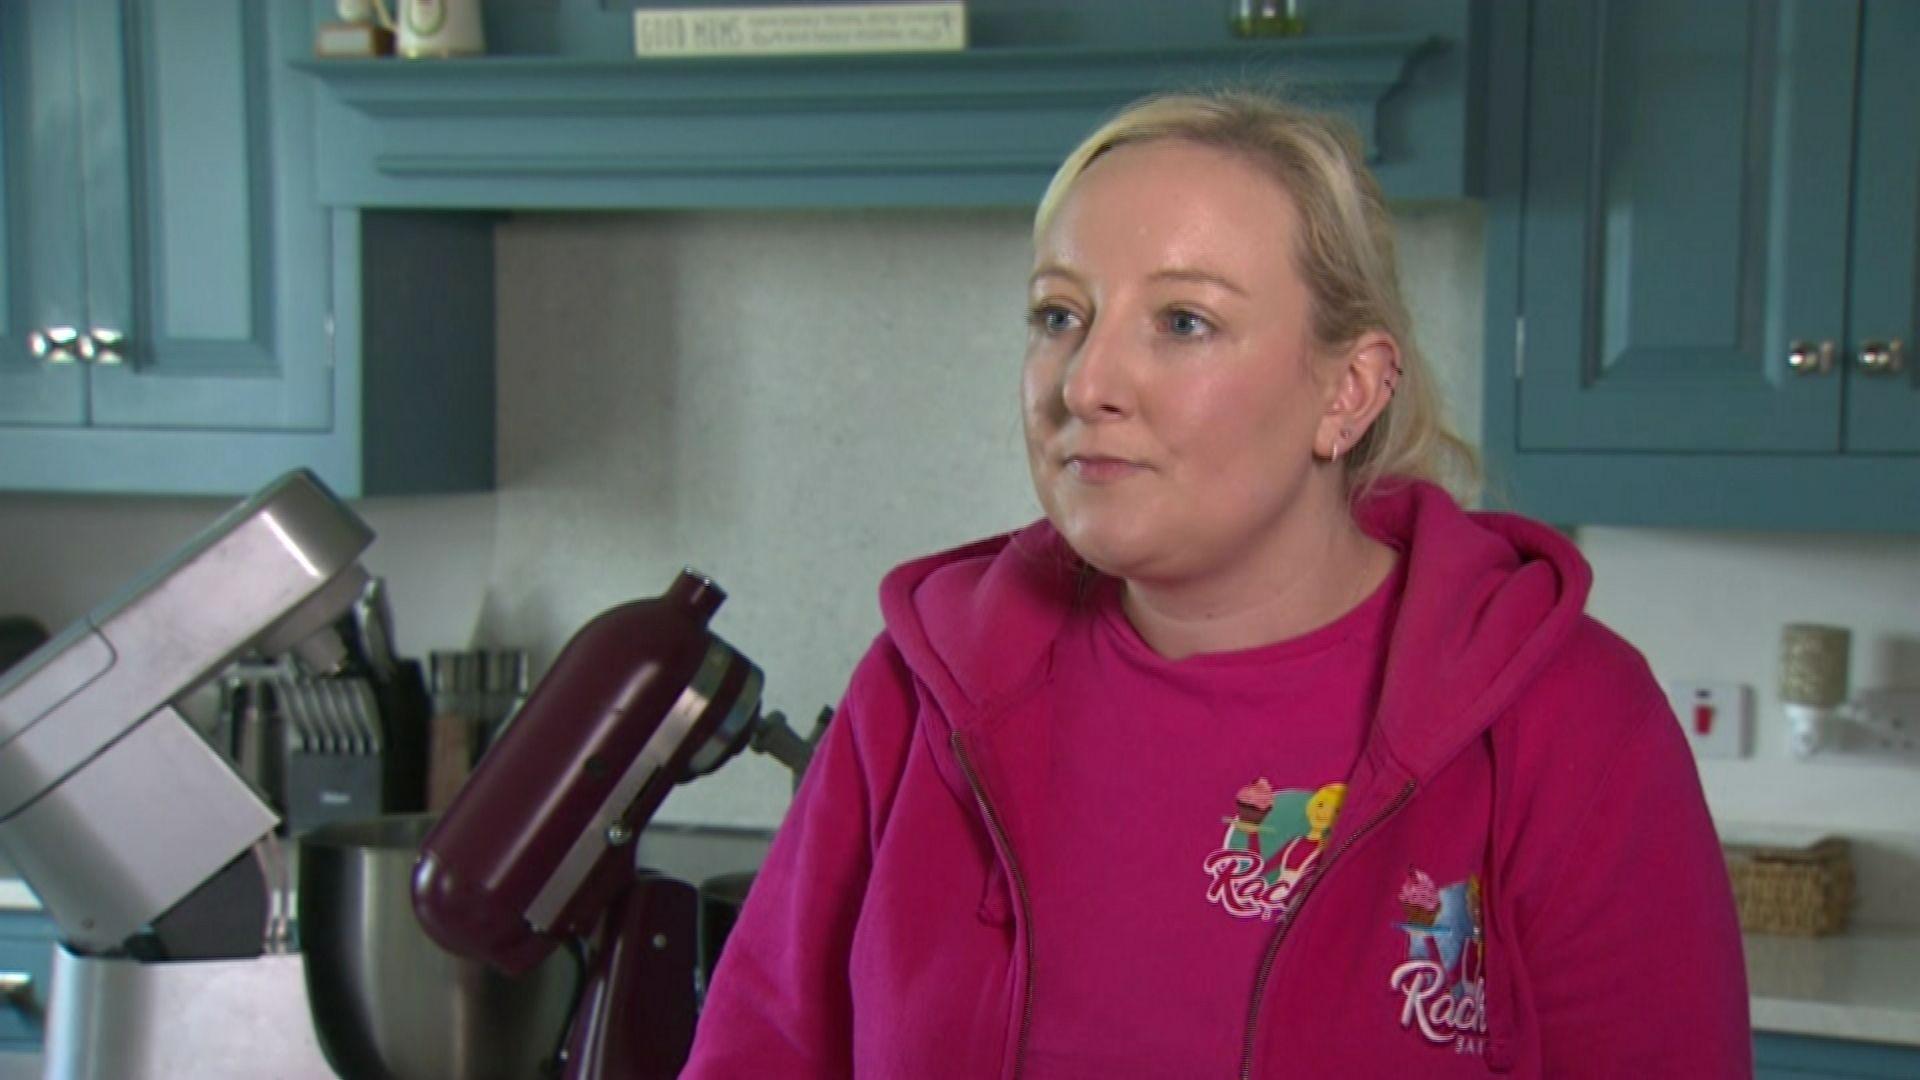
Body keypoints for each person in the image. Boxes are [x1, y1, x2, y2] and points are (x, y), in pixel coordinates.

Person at [685, 89, 1750, 1078]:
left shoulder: (1568, 720)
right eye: (1061, 315)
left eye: (1183, 323)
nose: (1086, 384)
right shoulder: (920, 691)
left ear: (1350, 390)